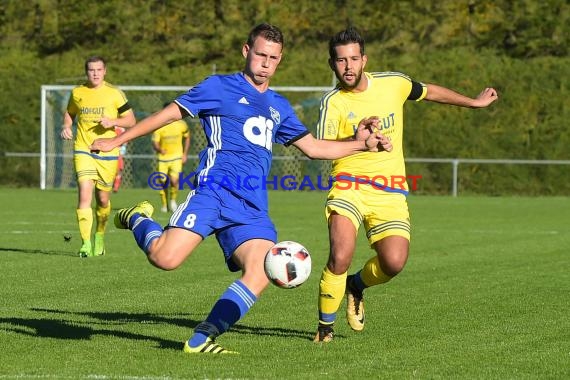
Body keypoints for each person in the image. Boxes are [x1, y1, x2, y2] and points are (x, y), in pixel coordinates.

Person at [90, 23, 392, 354]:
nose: (266, 62)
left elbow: (316, 148)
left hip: (251, 208)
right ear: (246, 52)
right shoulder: (218, 87)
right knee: (165, 258)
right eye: (260, 54)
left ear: (280, 60)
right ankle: (137, 218)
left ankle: (201, 338)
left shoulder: (278, 106)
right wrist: (117, 139)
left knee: (261, 270)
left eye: (273, 58)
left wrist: (360, 144)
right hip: (213, 193)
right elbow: (168, 115)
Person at [313, 27, 499, 343]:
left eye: (354, 59)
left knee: (394, 262)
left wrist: (474, 103)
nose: (348, 67)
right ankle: (324, 330)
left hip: (390, 190)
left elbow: (430, 92)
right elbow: (322, 149)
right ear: (332, 64)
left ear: (364, 60)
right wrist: (357, 140)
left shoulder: (393, 84)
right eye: (341, 60)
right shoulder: (333, 103)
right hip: (349, 185)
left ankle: (356, 286)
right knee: (341, 254)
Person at [61, 56, 136, 257]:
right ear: (86, 72)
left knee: (102, 200)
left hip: (108, 152)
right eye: (91, 70)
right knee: (84, 193)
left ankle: (99, 235)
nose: (95, 73)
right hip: (83, 148)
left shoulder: (114, 93)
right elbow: (70, 112)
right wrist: (67, 126)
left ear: (105, 71)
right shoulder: (78, 92)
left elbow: (131, 120)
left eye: (99, 70)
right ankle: (85, 244)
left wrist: (112, 122)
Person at [151, 104, 191, 212]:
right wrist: (159, 149)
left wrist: (185, 154)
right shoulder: (160, 126)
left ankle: (173, 201)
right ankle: (164, 205)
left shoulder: (181, 124)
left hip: (176, 157)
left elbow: (187, 137)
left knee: (174, 180)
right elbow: (155, 142)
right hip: (163, 158)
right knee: (162, 181)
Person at [112, 127, 127, 193]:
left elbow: (125, 142)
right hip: (110, 151)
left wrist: (122, 152)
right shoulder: (110, 126)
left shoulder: (122, 129)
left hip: (118, 152)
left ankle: (116, 187)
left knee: (118, 170)